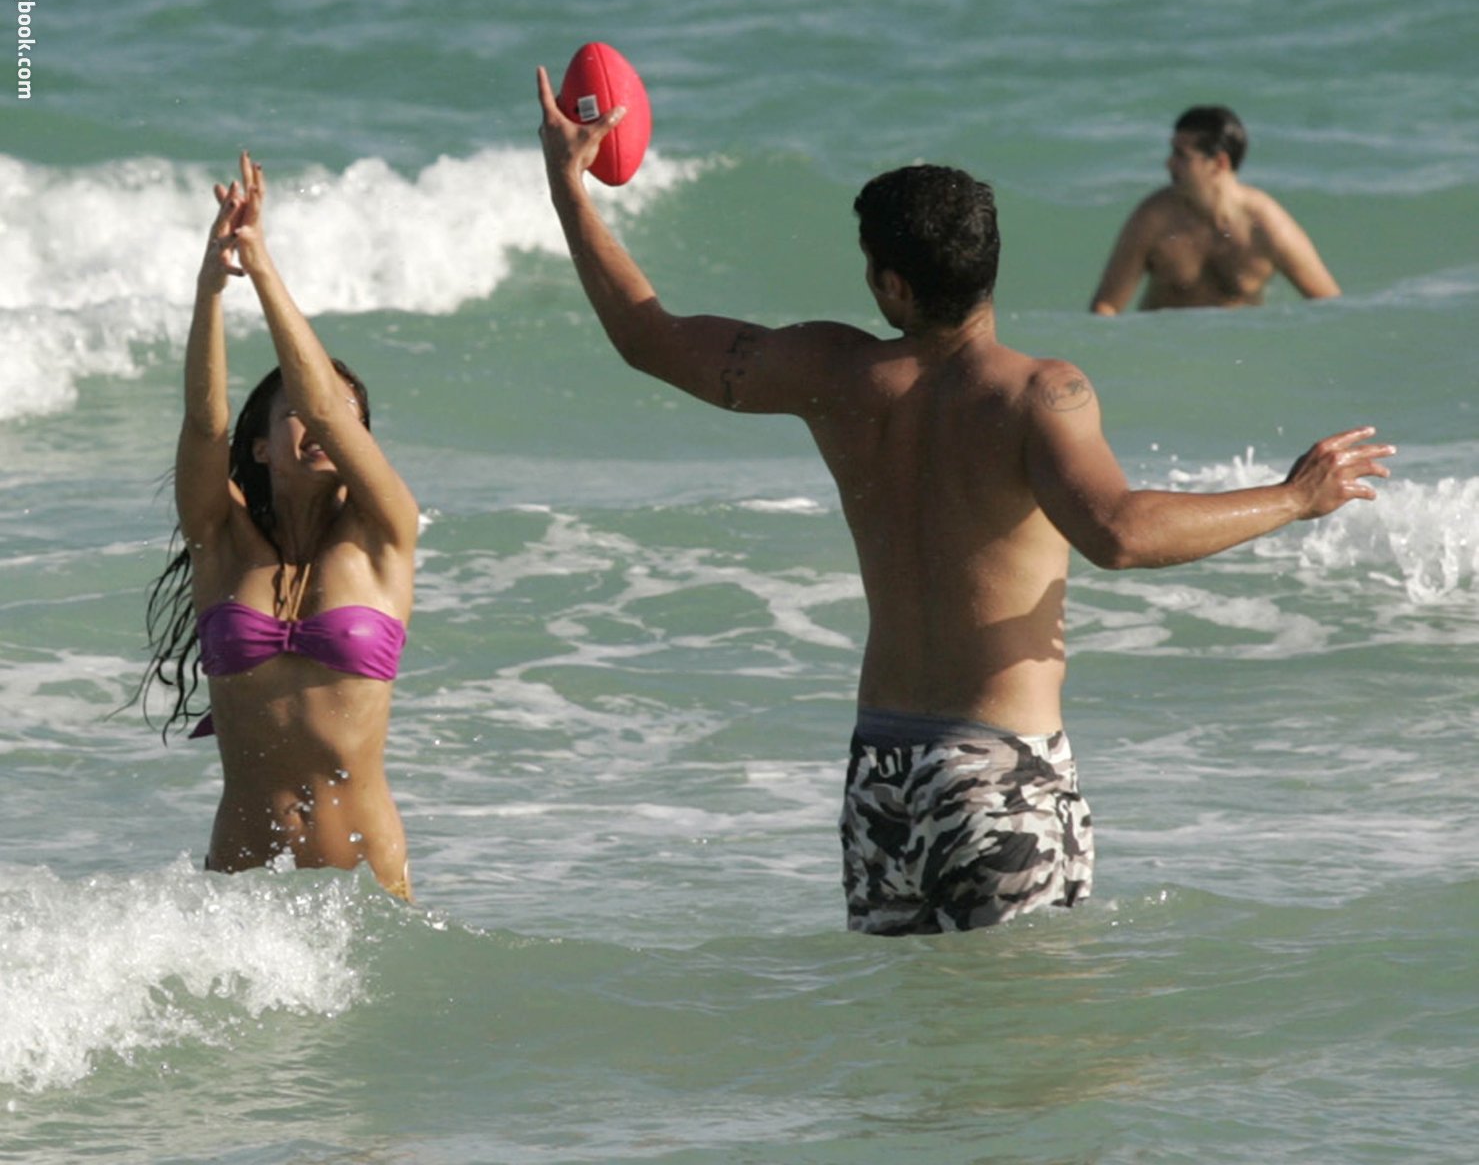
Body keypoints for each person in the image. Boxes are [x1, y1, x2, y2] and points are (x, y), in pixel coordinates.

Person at [536, 70, 1393, 936]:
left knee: (913, 1013)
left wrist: (568, 183)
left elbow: (646, 336)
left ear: (894, 286)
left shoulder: (831, 373)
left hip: (881, 773)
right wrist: (1293, 498)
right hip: (998, 774)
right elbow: (1118, 533)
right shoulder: (1035, 394)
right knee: (1026, 1021)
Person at [139, 153, 420, 900]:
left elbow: (324, 405)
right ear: (261, 447)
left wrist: (261, 267)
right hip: (240, 899)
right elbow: (205, 425)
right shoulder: (223, 543)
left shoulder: (384, 534)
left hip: (364, 893)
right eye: (291, 413)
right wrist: (211, 288)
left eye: (347, 420)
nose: (323, 423)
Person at [1089, 105, 1340, 315]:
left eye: (1181, 155)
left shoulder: (1267, 226)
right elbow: (1106, 306)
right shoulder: (1154, 219)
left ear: (1219, 163)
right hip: (1167, 349)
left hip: (1237, 350)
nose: (1169, 163)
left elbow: (1329, 304)